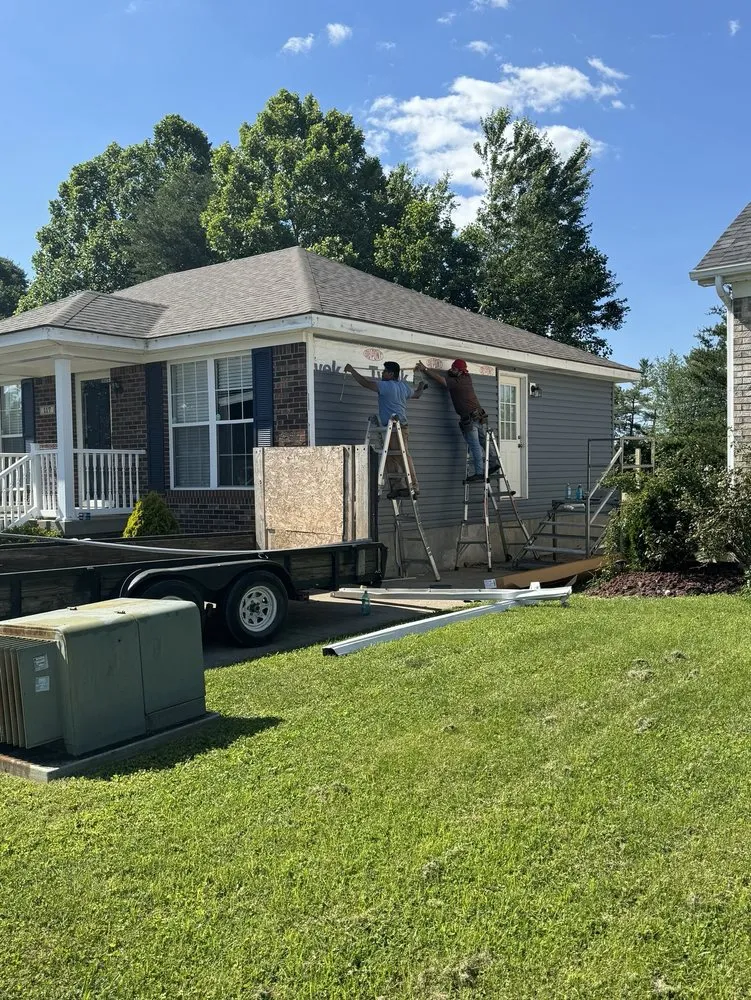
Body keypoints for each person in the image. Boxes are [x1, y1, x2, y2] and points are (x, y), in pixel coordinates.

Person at [343, 360, 425, 498]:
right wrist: (422, 385)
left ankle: (413, 487)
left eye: (385, 371)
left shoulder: (386, 386)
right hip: (395, 427)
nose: (382, 373)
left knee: (401, 456)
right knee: (390, 457)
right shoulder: (403, 387)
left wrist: (352, 370)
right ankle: (398, 487)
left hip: (396, 427)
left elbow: (365, 383)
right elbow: (417, 394)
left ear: (391, 373)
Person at [415, 358, 500, 482]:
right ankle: (493, 463)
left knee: (475, 445)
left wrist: (426, 369)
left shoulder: (458, 381)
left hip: (470, 418)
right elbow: (450, 374)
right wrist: (452, 371)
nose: (451, 370)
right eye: (452, 367)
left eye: (454, 368)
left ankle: (479, 473)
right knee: (483, 442)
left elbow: (442, 380)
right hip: (478, 416)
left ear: (460, 371)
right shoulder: (466, 377)